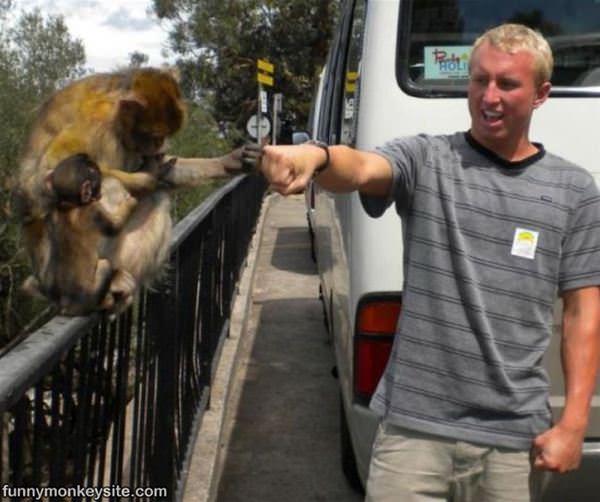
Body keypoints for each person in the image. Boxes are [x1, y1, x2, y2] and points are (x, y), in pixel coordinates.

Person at [257, 23, 600, 502]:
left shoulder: (575, 190)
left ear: (541, 94)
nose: (489, 96)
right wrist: (315, 155)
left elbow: (583, 315)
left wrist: (573, 422)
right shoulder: (427, 159)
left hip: (514, 440)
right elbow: (361, 168)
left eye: (507, 84)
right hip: (413, 434)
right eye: (479, 80)